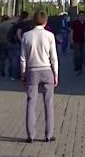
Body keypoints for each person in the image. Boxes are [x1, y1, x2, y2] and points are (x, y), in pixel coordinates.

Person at [20, 10, 58, 143]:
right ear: (46, 21)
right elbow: (54, 58)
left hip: (32, 71)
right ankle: (48, 135)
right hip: (47, 71)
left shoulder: (26, 35)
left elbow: (23, 58)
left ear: (33, 21)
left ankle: (30, 135)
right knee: (48, 103)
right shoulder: (50, 35)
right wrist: (56, 75)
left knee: (31, 103)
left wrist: (23, 73)